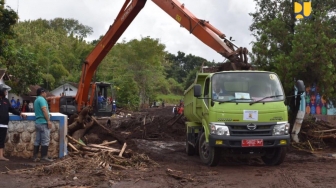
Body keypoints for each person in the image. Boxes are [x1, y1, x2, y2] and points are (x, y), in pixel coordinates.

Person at [0, 84, 27, 161]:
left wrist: (20, 113)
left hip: (3, 124)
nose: (6, 92)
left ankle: (1, 156)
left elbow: (12, 109)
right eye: (5, 90)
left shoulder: (6, 101)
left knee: (1, 140)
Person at [33, 88, 53, 162]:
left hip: (38, 122)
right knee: (45, 140)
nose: (46, 94)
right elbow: (44, 110)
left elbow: (42, 111)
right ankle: (44, 157)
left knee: (37, 140)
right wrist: (48, 120)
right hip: (43, 122)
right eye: (45, 92)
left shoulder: (36, 100)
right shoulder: (41, 99)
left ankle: (35, 157)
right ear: (42, 92)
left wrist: (48, 114)